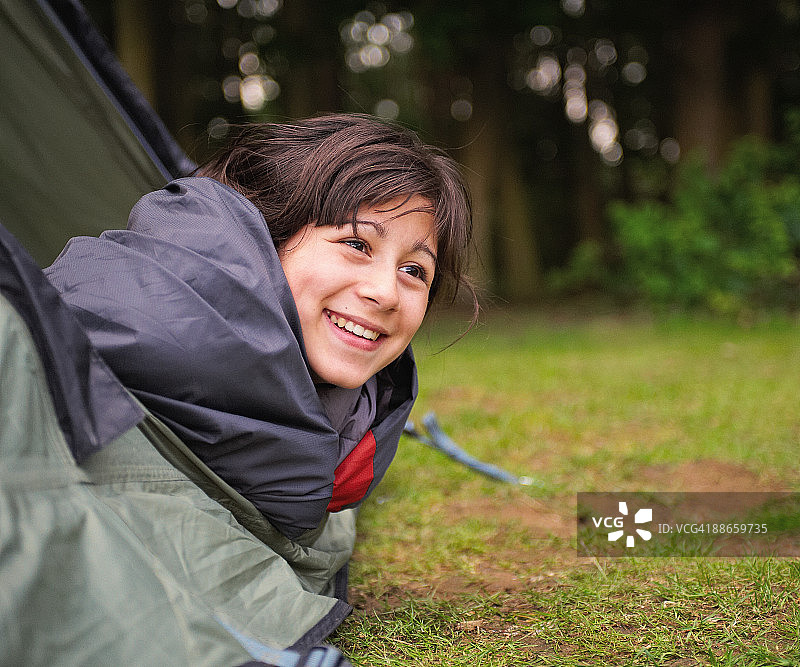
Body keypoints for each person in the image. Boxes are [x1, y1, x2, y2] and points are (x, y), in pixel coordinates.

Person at [45, 112, 476, 542]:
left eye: (414, 271)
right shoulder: (150, 330)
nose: (386, 293)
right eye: (356, 244)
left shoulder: (355, 423)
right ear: (269, 238)